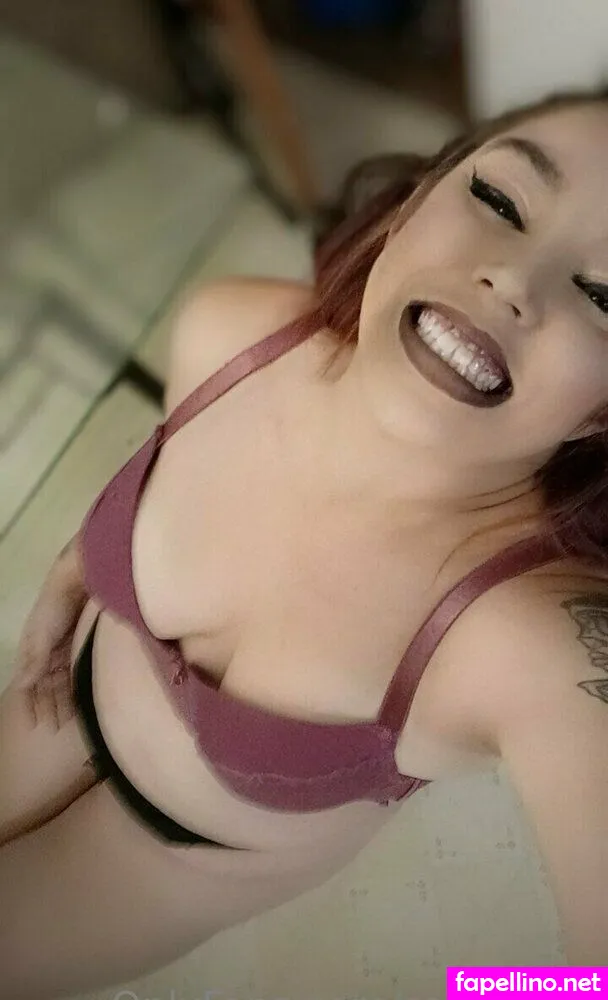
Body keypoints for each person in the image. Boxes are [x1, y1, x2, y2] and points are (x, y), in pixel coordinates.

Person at [2, 84, 608, 999]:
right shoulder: (233, 329)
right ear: (413, 203)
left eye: (603, 296)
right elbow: (161, 461)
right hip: (59, 698)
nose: (514, 284)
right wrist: (70, 575)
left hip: (158, 863)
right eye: (498, 198)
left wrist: (479, 988)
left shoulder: (530, 642)